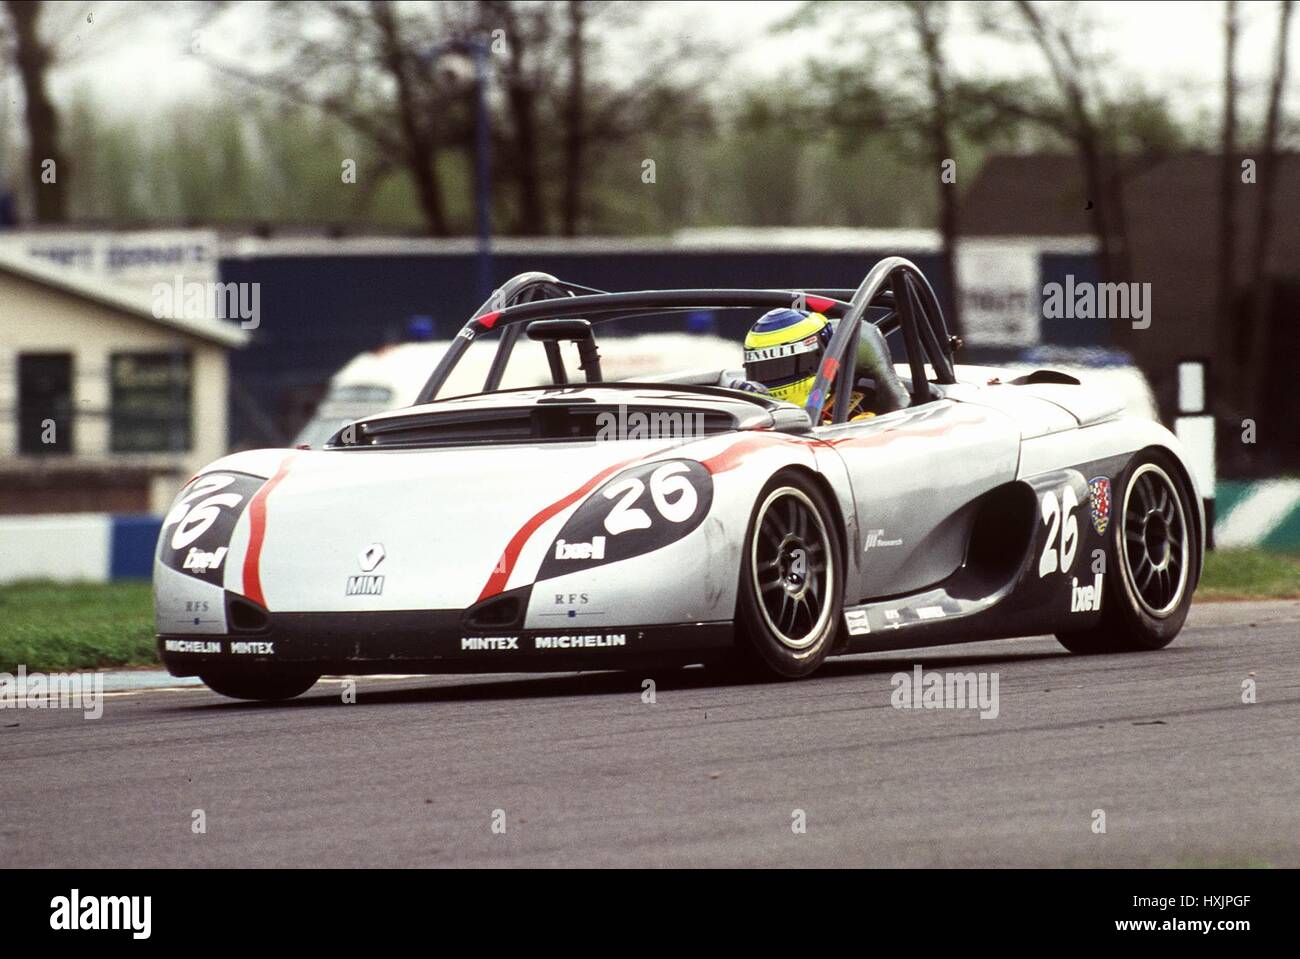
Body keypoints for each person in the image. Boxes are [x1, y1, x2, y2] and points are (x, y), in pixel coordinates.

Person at [724, 307, 909, 420]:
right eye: (765, 370)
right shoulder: (746, 403)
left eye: (785, 366)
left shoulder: (861, 412)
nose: (774, 376)